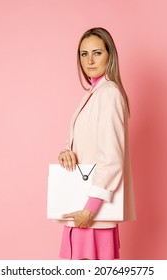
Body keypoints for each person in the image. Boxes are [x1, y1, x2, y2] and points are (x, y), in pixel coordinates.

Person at [57, 27, 136, 260]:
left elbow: (111, 159)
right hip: (82, 207)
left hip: (91, 212)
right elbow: (82, 140)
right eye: (83, 54)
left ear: (110, 55)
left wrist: (89, 210)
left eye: (97, 53)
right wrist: (66, 152)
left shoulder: (109, 93)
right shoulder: (94, 93)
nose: (89, 60)